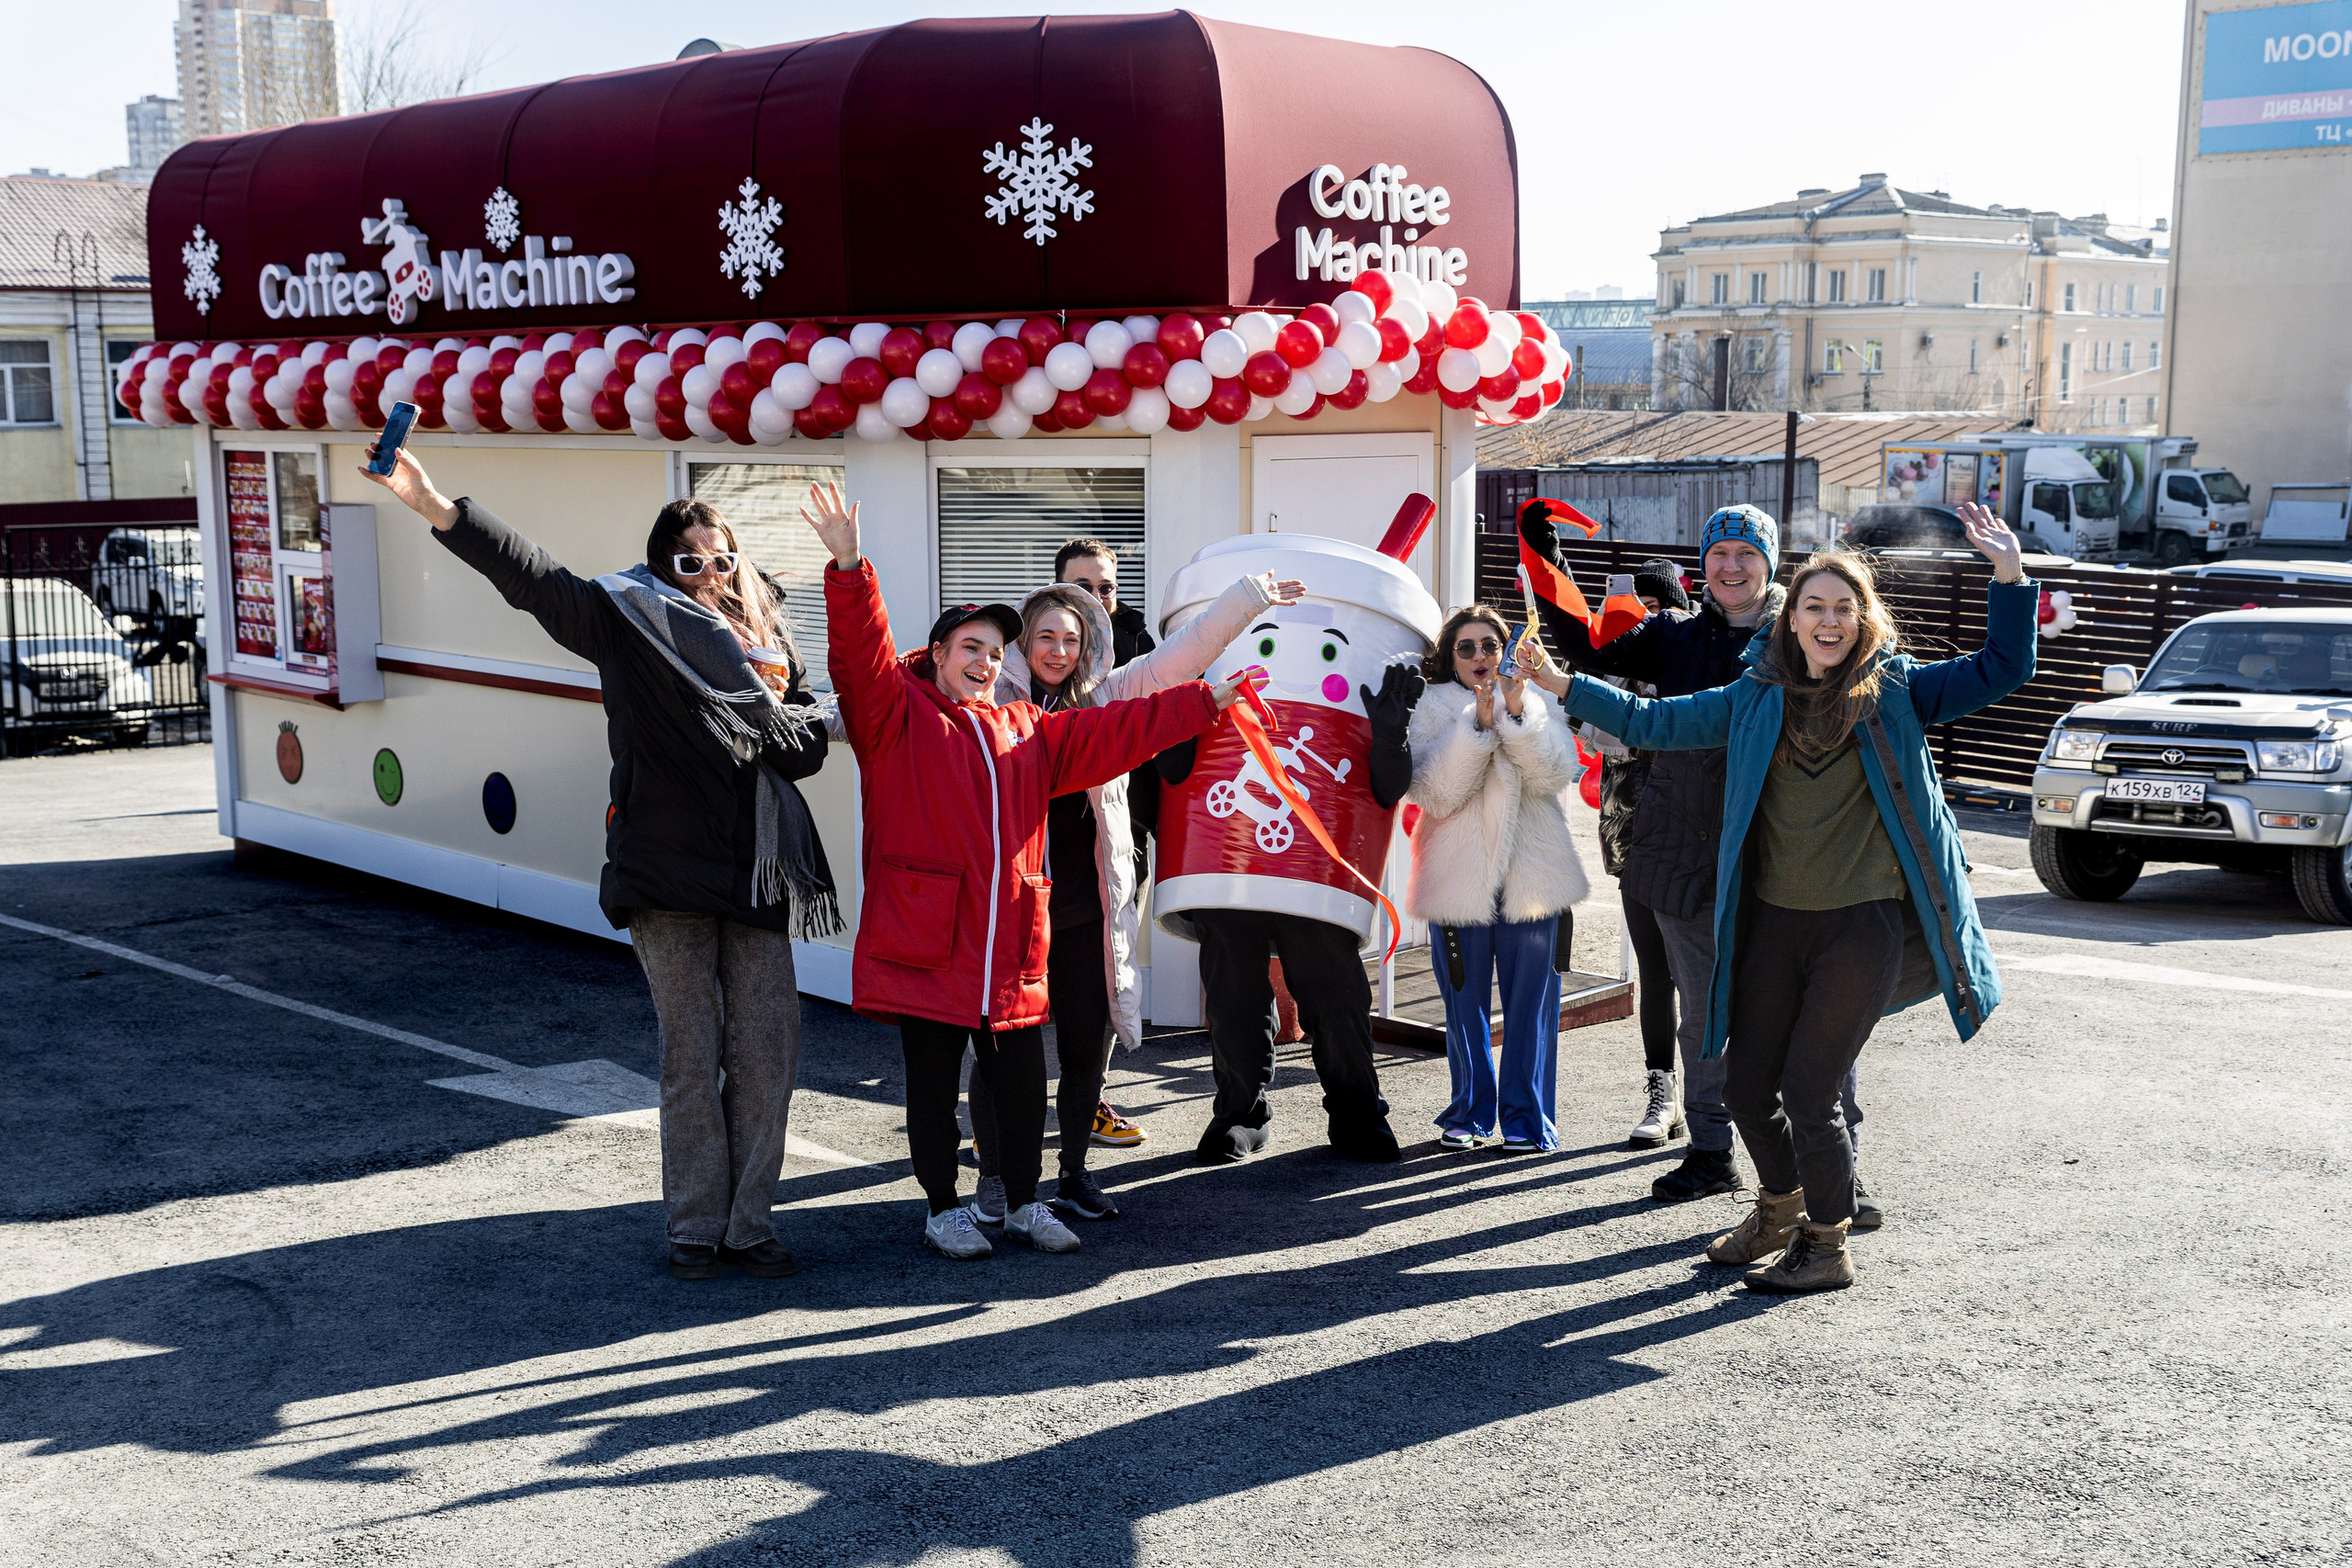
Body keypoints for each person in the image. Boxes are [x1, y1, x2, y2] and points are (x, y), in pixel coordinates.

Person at [361, 448, 835, 1283]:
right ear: (663, 566)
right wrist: (434, 502)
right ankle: (696, 1224)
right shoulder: (626, 621)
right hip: (664, 872)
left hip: (757, 867)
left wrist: (781, 714)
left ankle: (749, 1223)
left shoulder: (768, 631)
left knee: (768, 1051)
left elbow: (799, 750)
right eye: (690, 561)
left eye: (723, 558)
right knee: (691, 1054)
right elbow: (533, 576)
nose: (709, 575)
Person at [1546, 502, 2034, 1292]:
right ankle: (1780, 1206)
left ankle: (1828, 1243)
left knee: (1810, 1091)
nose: (1830, 621)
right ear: (1793, 620)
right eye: (1816, 607)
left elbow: (2003, 666)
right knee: (1744, 1084)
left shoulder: (1896, 690)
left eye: (1845, 607)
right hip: (1775, 923)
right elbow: (1650, 720)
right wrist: (1561, 681)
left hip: (1859, 927)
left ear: (1862, 618)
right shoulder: (1755, 693)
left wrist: (2008, 575)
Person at [803, 484, 1240, 1261]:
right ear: (937, 655)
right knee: (935, 1086)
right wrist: (848, 565)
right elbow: (859, 657)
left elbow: (1115, 730)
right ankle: (943, 1206)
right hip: (930, 939)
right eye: (968, 647)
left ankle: (1024, 1203)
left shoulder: (1026, 728)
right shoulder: (894, 716)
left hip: (1008, 940)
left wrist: (1203, 701)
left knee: (1017, 1086)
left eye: (992, 652)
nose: (983, 661)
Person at [964, 565, 1306, 1221]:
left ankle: (1072, 1172)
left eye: (1070, 638)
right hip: (1012, 904)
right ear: (1023, 643)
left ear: (1088, 642)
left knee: (1087, 1041)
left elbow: (1183, 657)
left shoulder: (1108, 694)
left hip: (1086, 903)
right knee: (1003, 1041)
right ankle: (996, 1171)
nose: (1058, 651)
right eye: (1044, 637)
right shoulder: (993, 704)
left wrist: (1251, 596)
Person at [1158, 660, 1427, 1165]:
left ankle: (1357, 1113)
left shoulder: (1369, 674)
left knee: (1336, 996)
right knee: (1232, 999)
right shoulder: (1204, 660)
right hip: (1226, 865)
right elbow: (1173, 770)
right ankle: (1241, 1113)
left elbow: (1388, 790)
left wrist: (1391, 736)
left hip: (1321, 874)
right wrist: (1181, 705)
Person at [1404, 606, 1589, 1152]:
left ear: (1509, 650)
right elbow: (1435, 794)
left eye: (1491, 645)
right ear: (1449, 656)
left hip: (1534, 876)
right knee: (1464, 1009)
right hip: (1458, 880)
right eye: (1467, 648)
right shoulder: (1431, 707)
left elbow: (1557, 773)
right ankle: (1470, 1114)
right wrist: (1477, 727)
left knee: (1532, 1007)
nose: (1481, 657)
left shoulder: (1540, 700)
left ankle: (1529, 1122)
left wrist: (1513, 711)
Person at [1574, 560, 1692, 1149]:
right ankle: (1661, 1092)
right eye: (1632, 606)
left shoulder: (1696, 659)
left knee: (1709, 973)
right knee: (1656, 969)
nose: (1643, 617)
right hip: (1632, 837)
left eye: (1654, 607)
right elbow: (1574, 715)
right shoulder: (1611, 665)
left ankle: (1711, 1098)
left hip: (1699, 837)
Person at [1047, 536, 1158, 1152]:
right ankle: (1003, 1112)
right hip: (1035, 856)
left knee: (1107, 984)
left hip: (1118, 850)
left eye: (1106, 586)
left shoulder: (1140, 650)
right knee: (1021, 990)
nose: (1095, 597)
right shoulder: (1028, 651)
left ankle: (1090, 1100)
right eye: (1082, 585)